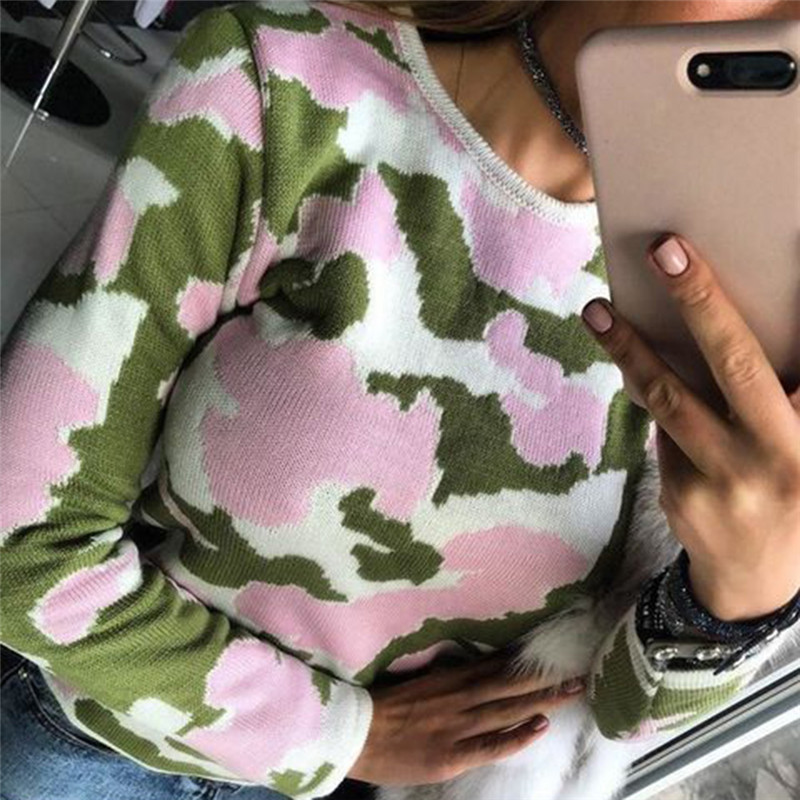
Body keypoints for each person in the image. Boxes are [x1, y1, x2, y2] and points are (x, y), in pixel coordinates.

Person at [2, 1, 799, 799]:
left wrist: (744, 596)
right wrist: (338, 735)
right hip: (102, 757)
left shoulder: (737, 298)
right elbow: (24, 546)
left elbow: (618, 712)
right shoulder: (285, 82)